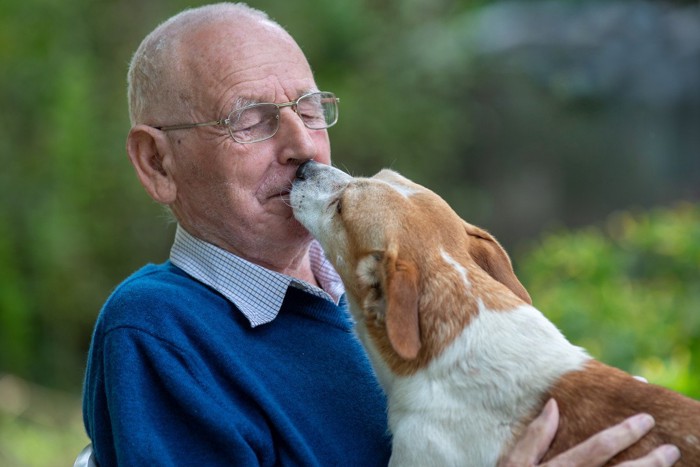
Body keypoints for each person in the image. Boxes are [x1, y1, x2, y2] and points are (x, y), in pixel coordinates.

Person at [82, 3, 681, 466]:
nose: (304, 147)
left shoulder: (399, 285)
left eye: (310, 108)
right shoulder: (159, 330)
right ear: (158, 163)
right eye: (252, 120)